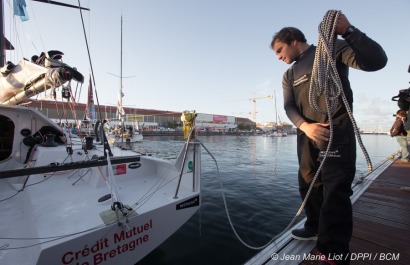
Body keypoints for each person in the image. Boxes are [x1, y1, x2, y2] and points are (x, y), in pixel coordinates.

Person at [270, 12, 387, 265]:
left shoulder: (331, 48)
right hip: (307, 137)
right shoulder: (289, 75)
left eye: (279, 50)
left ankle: (333, 251)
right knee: (309, 184)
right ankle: (314, 226)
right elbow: (289, 106)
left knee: (335, 190)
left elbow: (376, 61)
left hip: (337, 132)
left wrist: (349, 31)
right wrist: (305, 126)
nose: (278, 57)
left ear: (292, 40)